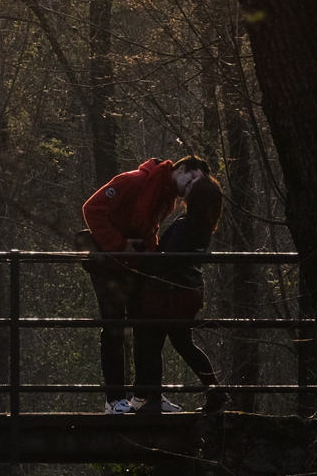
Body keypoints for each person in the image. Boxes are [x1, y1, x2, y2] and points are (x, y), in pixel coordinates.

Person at [77, 155, 211, 413]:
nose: (192, 187)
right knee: (114, 328)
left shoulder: (165, 196)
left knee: (144, 329)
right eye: (193, 178)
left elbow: (148, 228)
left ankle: (144, 395)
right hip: (109, 267)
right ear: (182, 169)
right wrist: (118, 247)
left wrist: (147, 253)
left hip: (135, 266)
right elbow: (92, 208)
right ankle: (114, 399)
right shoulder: (135, 181)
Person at [133, 170, 227, 414]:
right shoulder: (202, 225)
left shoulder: (185, 226)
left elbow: (167, 261)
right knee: (183, 344)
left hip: (167, 294)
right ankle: (216, 393)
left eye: (195, 182)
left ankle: (154, 399)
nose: (191, 181)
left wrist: (143, 260)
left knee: (150, 344)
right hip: (186, 292)